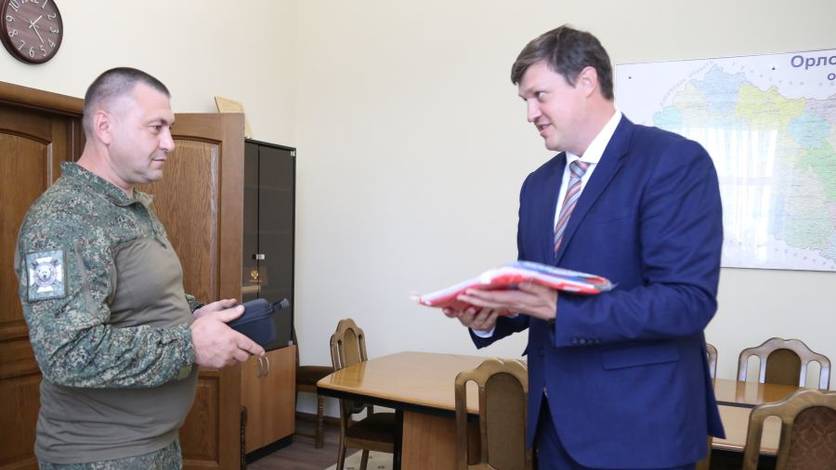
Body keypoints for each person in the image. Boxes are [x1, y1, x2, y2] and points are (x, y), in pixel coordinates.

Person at [444, 26, 724, 469]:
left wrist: (561, 308)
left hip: (642, 430)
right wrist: (491, 315)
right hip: (554, 427)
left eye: (540, 95)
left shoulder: (673, 161)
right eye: (525, 101)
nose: (530, 114)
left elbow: (686, 301)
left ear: (587, 81)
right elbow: (537, 289)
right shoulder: (537, 186)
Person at [14, 67, 265, 469]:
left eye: (170, 128)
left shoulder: (131, 208)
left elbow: (139, 297)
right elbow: (65, 352)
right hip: (102, 456)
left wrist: (195, 313)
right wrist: (190, 344)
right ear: (105, 126)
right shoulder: (63, 219)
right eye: (155, 127)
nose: (169, 143)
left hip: (155, 446)